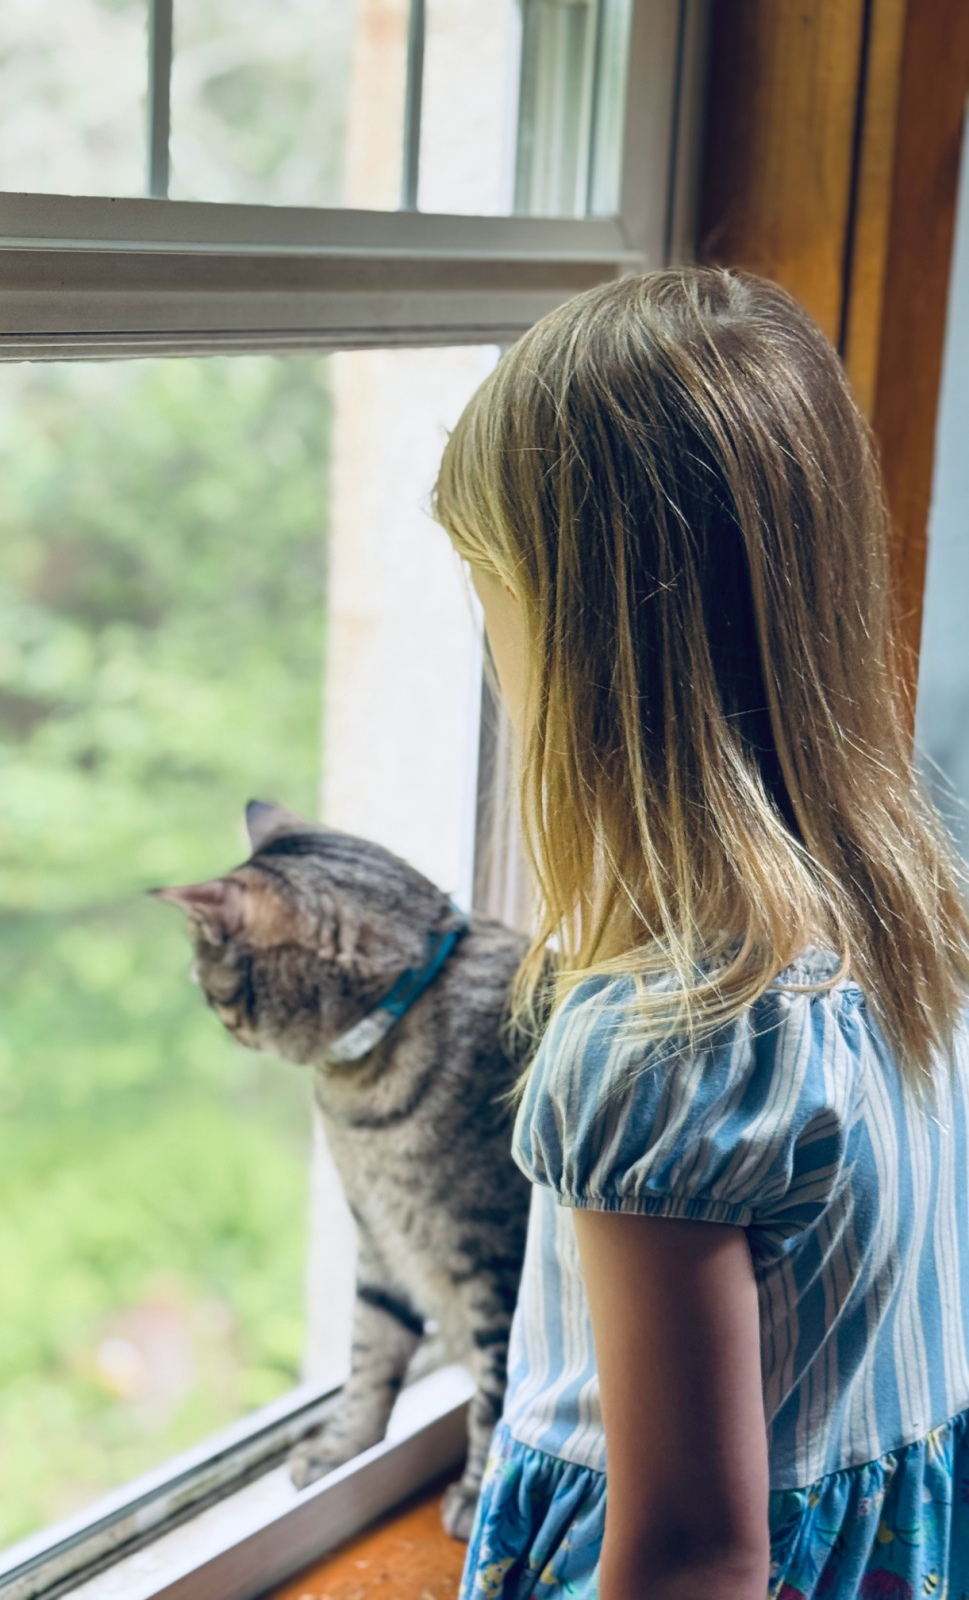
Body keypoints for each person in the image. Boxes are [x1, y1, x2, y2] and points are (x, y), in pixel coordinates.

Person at [432, 268, 969, 1600]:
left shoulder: (660, 1051)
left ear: (574, 640)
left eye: (491, 597)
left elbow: (691, 1557)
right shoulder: (905, 912)